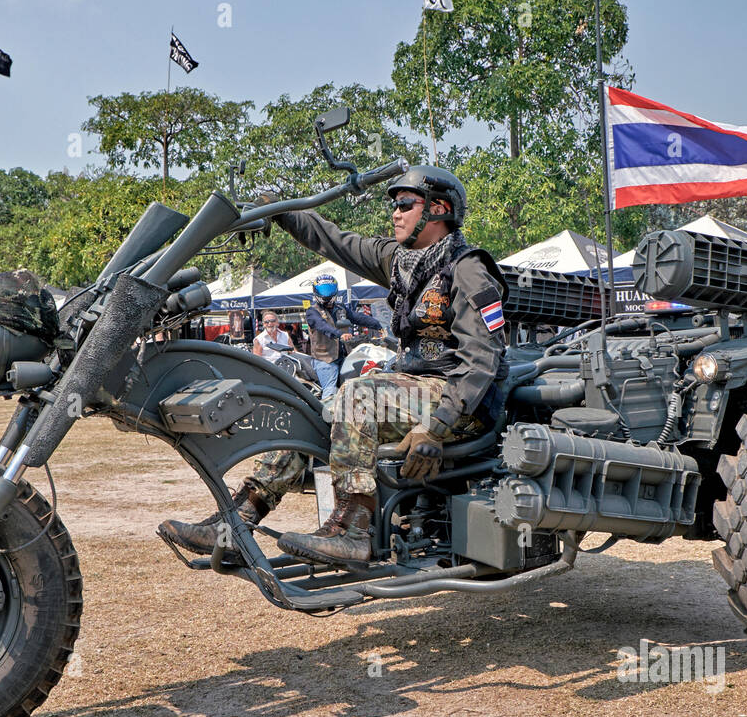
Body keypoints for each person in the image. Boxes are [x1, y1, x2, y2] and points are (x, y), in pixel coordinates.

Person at [159, 164, 509, 564]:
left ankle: (353, 529)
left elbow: (483, 358)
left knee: (358, 394)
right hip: (416, 390)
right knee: (314, 409)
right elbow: (335, 241)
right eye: (393, 204)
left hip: (461, 399)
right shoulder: (400, 260)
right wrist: (282, 211)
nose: (394, 212)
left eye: (406, 204)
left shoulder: (468, 268)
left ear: (439, 209)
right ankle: (238, 522)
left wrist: (438, 424)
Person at [303, 273, 384, 399]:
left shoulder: (341, 308)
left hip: (346, 356)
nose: (326, 294)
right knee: (330, 391)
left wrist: (379, 325)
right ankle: (327, 415)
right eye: (323, 290)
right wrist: (340, 334)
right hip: (326, 359)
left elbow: (358, 317)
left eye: (329, 290)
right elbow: (322, 326)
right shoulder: (312, 312)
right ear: (316, 292)